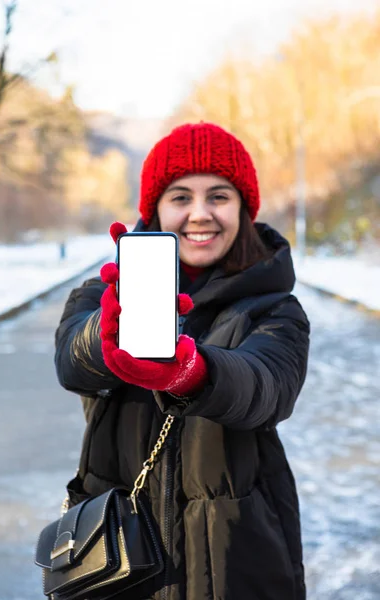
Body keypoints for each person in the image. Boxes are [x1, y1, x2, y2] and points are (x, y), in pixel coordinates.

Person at [55, 122, 310, 600]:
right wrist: (104, 338)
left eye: (219, 196)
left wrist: (193, 373)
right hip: (115, 548)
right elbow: (71, 361)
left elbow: (266, 387)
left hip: (237, 555)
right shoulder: (104, 293)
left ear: (244, 208)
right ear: (152, 209)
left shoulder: (275, 309)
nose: (200, 214)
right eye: (179, 197)